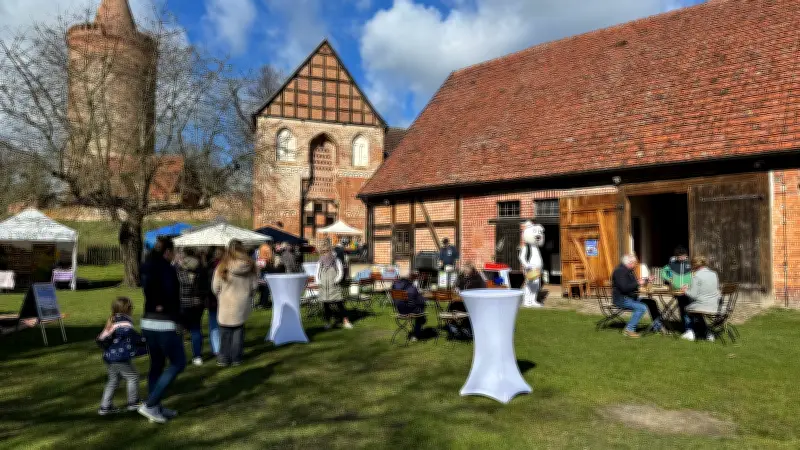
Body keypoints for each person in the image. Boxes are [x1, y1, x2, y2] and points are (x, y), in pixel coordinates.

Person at [139, 237, 184, 424]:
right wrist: (179, 320)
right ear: (167, 252)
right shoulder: (166, 269)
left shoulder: (147, 266)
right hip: (164, 322)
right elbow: (170, 296)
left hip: (148, 320)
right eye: (173, 252)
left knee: (156, 364)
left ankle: (155, 407)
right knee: (178, 362)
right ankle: (150, 403)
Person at [212, 240, 259, 367]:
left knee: (225, 333)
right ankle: (236, 358)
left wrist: (221, 295)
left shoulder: (222, 267)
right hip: (241, 303)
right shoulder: (251, 266)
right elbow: (254, 286)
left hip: (226, 303)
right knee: (238, 332)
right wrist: (248, 295)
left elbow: (215, 287)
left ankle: (223, 358)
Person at [96, 297, 146, 416]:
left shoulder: (113, 320)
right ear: (127, 309)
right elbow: (133, 337)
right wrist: (145, 341)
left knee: (113, 380)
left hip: (110, 357)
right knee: (133, 377)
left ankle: (105, 406)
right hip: (119, 357)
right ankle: (133, 402)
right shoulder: (124, 324)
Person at [611, 254, 663, 338]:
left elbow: (634, 283)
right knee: (641, 307)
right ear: (629, 263)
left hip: (631, 298)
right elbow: (624, 288)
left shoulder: (629, 271)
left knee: (651, 302)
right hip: (621, 299)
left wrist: (646, 280)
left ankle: (658, 326)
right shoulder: (619, 271)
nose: (635, 264)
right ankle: (629, 329)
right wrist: (638, 283)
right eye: (635, 263)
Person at [176, 248, 207, 366]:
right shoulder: (200, 269)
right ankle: (197, 356)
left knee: (179, 331)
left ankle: (179, 356)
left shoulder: (179, 271)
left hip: (182, 304)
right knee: (196, 330)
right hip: (197, 304)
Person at [681, 255, 721, 342]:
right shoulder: (714, 274)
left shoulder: (696, 276)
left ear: (694, 265)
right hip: (715, 305)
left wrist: (685, 290)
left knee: (684, 304)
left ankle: (690, 331)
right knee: (697, 311)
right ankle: (707, 332)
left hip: (702, 305)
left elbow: (693, 295)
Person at [316, 240, 353, 330]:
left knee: (339, 303)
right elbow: (317, 271)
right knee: (326, 305)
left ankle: (346, 321)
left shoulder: (336, 259)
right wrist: (318, 280)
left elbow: (340, 270)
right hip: (324, 285)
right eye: (323, 251)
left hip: (334, 284)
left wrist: (337, 279)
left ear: (330, 250)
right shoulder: (320, 260)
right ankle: (328, 322)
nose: (325, 253)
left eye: (326, 251)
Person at [662, 246, 693, 332]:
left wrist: (690, 284)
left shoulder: (690, 264)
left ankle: (689, 328)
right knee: (682, 309)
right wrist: (669, 279)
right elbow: (663, 271)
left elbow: (695, 275)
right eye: (680, 256)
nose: (682, 258)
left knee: (687, 309)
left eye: (684, 256)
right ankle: (686, 328)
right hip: (677, 291)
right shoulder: (672, 264)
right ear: (676, 257)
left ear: (686, 255)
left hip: (689, 291)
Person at [391, 276, 427, 341]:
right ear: (408, 281)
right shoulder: (412, 288)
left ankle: (421, 322)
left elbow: (394, 300)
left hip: (400, 311)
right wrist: (424, 300)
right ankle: (416, 335)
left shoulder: (394, 287)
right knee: (421, 313)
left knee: (420, 311)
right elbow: (420, 301)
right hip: (411, 311)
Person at [206, 247, 223, 356]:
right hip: (221, 298)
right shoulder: (224, 267)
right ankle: (222, 346)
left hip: (212, 298)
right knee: (223, 324)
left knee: (213, 325)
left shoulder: (208, 266)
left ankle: (216, 348)